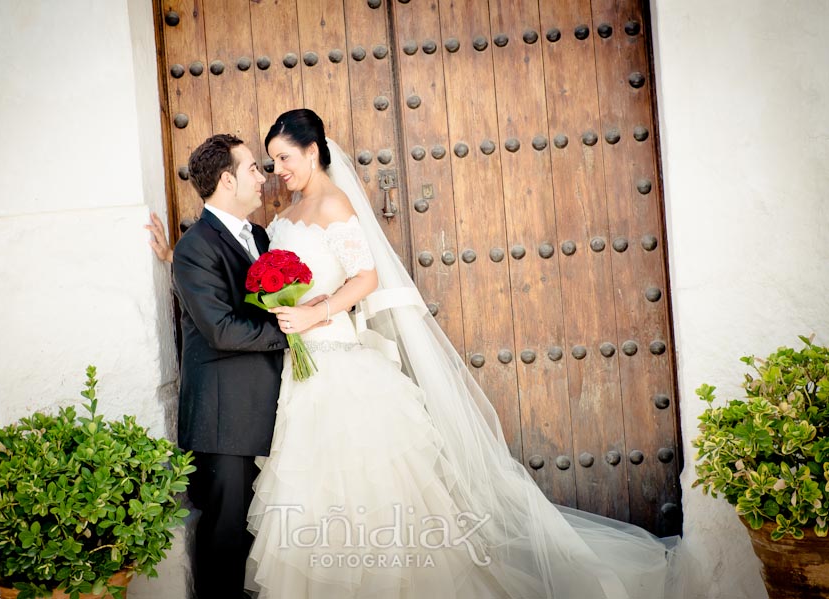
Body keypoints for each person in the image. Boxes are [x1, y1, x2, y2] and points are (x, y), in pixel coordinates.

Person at [151, 111, 683, 599]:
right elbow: (230, 280)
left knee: (367, 486)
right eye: (265, 164)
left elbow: (367, 277)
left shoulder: (333, 205)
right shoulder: (276, 222)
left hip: (336, 363)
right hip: (296, 379)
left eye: (284, 159)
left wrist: (318, 315)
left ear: (314, 152)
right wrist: (180, 258)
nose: (274, 172)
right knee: (312, 499)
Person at [165, 133, 325, 599]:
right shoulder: (196, 247)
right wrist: (294, 332)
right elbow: (221, 329)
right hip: (224, 421)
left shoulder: (256, 235)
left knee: (262, 538)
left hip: (268, 410)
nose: (264, 175)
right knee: (225, 541)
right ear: (227, 179)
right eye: (254, 168)